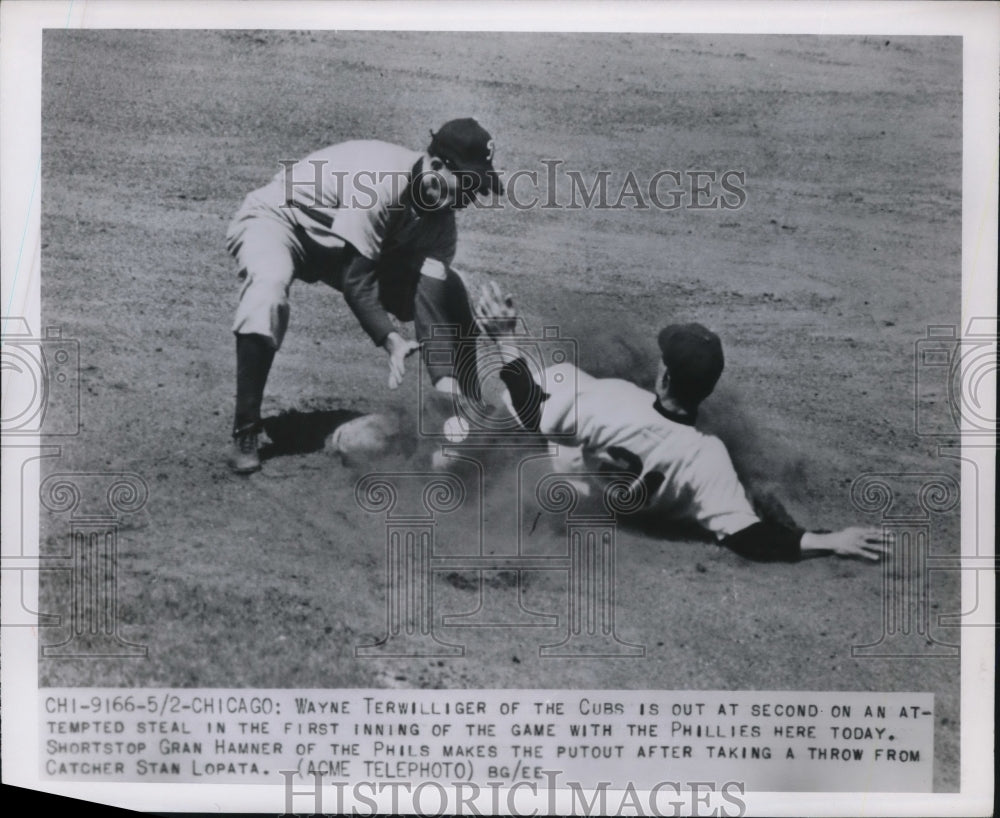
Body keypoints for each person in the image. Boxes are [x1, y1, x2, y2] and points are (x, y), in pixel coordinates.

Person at [483, 307, 887, 562]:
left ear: (664, 375)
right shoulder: (707, 458)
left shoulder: (614, 400)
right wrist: (831, 540)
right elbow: (752, 539)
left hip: (556, 476)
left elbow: (528, 409)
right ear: (708, 391)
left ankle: (451, 451)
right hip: (600, 507)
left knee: (555, 381)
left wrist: (505, 338)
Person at [224, 118, 503, 473]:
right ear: (436, 165)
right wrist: (391, 340)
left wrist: (459, 394)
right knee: (270, 285)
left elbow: (434, 299)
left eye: (476, 189)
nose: (469, 198)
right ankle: (245, 429)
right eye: (467, 184)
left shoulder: (441, 224)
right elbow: (358, 281)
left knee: (448, 283)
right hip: (282, 221)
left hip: (341, 249)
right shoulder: (382, 181)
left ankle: (462, 405)